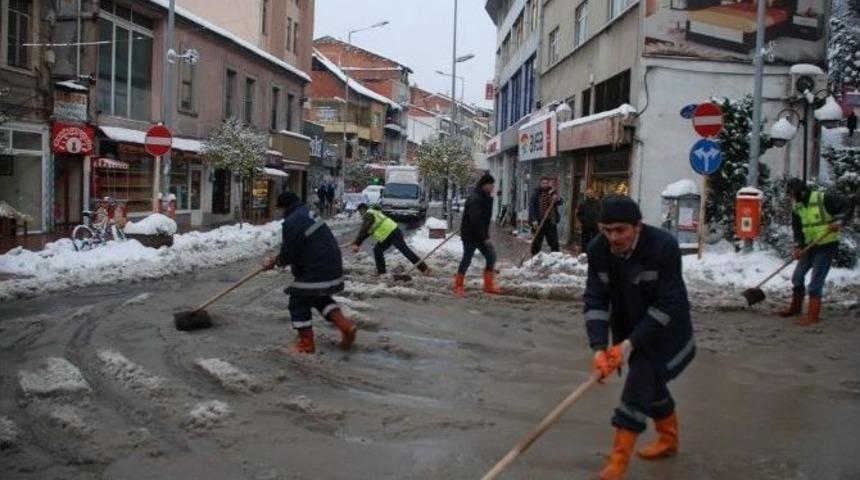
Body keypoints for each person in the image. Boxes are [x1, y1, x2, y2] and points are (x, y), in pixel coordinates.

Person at [582, 195, 695, 480]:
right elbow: (595, 301)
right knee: (651, 386)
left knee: (640, 382)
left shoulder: (662, 247)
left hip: (668, 330)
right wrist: (599, 348)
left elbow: (669, 303)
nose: (612, 237)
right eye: (606, 230)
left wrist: (628, 346)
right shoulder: (598, 250)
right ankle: (668, 441)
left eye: (620, 230)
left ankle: (618, 463)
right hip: (631, 331)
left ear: (638, 226)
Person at [263, 192, 357, 354]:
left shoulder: (293, 221)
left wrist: (277, 261)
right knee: (318, 297)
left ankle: (306, 344)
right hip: (330, 263)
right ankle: (346, 326)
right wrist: (280, 259)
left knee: (298, 300)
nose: (279, 212)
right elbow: (300, 245)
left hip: (317, 266)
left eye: (279, 208)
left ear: (284, 207)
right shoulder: (305, 213)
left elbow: (291, 251)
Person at [777, 178, 854, 326]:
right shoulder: (797, 207)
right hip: (809, 245)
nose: (791, 197)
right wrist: (798, 246)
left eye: (792, 194)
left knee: (815, 283)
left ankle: (813, 316)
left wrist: (839, 221)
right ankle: (795, 308)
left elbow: (847, 205)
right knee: (797, 278)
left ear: (801, 192)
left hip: (826, 244)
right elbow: (797, 229)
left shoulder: (822, 198)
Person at [453, 173, 502, 296]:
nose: (492, 187)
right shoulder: (476, 198)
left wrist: (485, 235)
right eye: (490, 185)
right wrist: (485, 237)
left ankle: (488, 285)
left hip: (480, 234)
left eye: (493, 185)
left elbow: (484, 219)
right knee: (467, 259)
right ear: (484, 185)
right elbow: (476, 220)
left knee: (491, 256)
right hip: (470, 235)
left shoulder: (485, 197)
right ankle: (458, 285)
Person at [351, 204, 431, 276]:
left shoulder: (368, 215)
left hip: (392, 233)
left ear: (363, 209)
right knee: (377, 250)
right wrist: (357, 242)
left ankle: (425, 269)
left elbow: (364, 229)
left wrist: (357, 243)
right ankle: (381, 272)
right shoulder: (372, 213)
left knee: (405, 251)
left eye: (360, 212)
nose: (360, 214)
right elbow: (367, 232)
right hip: (388, 235)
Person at [528, 176, 563, 255]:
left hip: (551, 222)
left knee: (554, 242)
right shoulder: (536, 194)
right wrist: (534, 220)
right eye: (543, 183)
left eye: (546, 183)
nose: (545, 185)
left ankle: (556, 258)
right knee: (536, 242)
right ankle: (534, 258)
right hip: (539, 222)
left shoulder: (552, 192)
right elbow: (532, 207)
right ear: (540, 184)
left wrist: (557, 198)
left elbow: (560, 202)